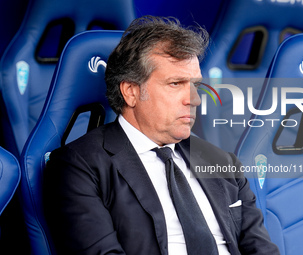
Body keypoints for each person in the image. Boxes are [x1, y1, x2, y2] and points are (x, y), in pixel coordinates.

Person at [43, 15, 280, 255]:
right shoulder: (79, 166)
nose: (194, 99)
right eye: (176, 83)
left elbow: (262, 250)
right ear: (131, 92)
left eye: (195, 86)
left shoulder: (223, 163)